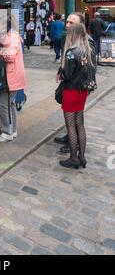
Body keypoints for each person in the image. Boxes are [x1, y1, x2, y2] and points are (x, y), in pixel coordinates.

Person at [57, 23, 96, 169]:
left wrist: (61, 72)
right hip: (82, 92)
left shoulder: (72, 52)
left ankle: (73, 158)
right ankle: (82, 157)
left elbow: (67, 75)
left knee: (70, 125)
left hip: (71, 91)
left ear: (74, 35)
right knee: (80, 123)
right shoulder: (87, 50)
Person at [0, 12, 26, 143]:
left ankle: (6, 131)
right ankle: (12, 130)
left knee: (3, 103)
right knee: (10, 103)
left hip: (11, 76)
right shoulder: (10, 35)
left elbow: (10, 55)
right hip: (12, 75)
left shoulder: (12, 36)